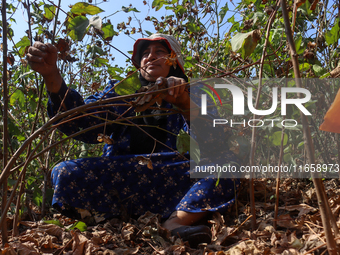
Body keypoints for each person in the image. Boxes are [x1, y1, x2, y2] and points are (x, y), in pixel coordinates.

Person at [27, 33, 240, 248]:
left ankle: (175, 222)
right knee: (64, 171)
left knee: (229, 164)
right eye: (145, 54)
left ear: (174, 61)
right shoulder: (121, 92)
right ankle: (113, 218)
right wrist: (52, 76)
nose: (151, 57)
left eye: (160, 52)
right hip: (125, 179)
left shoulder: (196, 92)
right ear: (139, 64)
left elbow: (216, 142)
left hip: (178, 178)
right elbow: (82, 125)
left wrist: (184, 103)